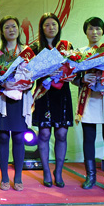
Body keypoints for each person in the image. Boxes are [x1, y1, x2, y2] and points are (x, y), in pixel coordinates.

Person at [75, 17, 104, 192]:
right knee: (89, 138)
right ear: (85, 31)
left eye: (98, 29)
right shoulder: (79, 53)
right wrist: (81, 79)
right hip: (89, 99)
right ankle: (90, 176)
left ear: (103, 31)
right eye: (91, 29)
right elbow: (71, 76)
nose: (94, 32)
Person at [0, 16, 34, 191]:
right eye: (7, 27)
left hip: (21, 99)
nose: (11, 30)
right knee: (2, 136)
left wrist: (27, 83)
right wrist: (2, 84)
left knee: (18, 137)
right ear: (2, 31)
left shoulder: (27, 51)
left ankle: (19, 177)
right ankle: (4, 177)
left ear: (18, 29)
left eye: (13, 26)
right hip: (2, 98)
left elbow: (33, 75)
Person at [30, 13, 73, 188]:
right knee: (45, 134)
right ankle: (46, 171)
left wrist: (71, 74)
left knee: (61, 133)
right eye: (47, 25)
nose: (51, 28)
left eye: (54, 24)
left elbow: (74, 68)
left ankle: (59, 171)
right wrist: (46, 71)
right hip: (44, 93)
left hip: (62, 94)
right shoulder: (35, 48)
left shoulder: (66, 46)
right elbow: (29, 73)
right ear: (42, 28)